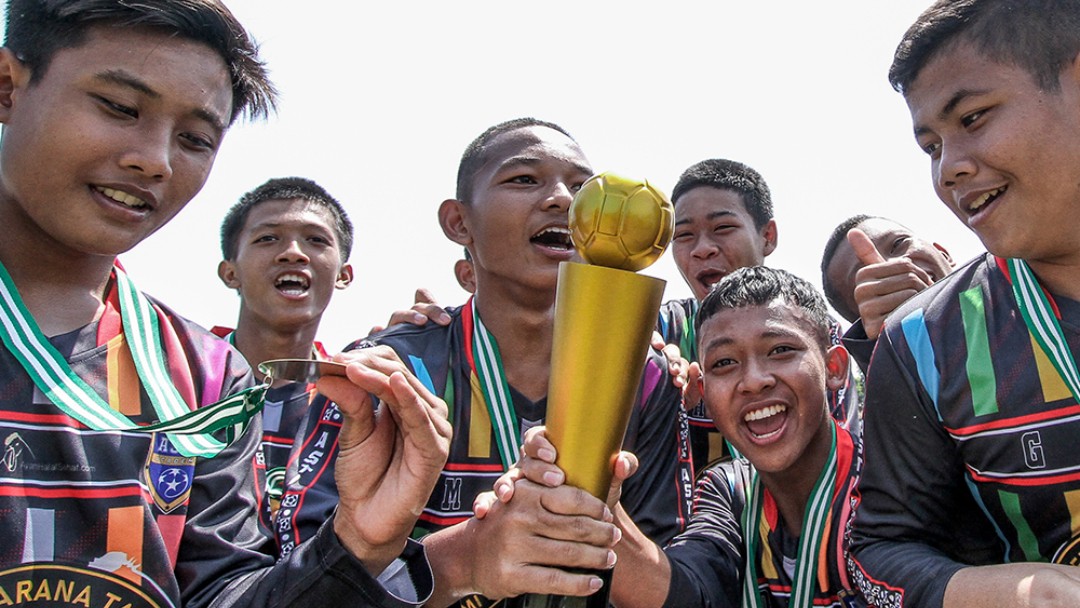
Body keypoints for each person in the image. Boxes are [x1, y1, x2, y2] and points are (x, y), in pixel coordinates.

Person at [0, 1, 450, 606]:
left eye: (194, 138)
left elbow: (221, 593)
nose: (154, 159)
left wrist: (357, 544)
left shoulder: (206, 377)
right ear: (8, 88)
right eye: (120, 107)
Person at [279, 117, 693, 606]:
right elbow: (300, 577)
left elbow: (670, 581)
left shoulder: (645, 380)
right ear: (459, 222)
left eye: (582, 186)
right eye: (523, 179)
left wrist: (591, 514)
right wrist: (464, 559)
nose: (562, 198)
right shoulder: (390, 373)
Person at [848, 1, 1080, 606]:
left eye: (973, 117)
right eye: (930, 146)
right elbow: (876, 558)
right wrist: (1014, 592)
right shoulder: (920, 343)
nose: (949, 169)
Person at [485, 267, 863, 607]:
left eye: (780, 350)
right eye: (724, 363)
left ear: (834, 368)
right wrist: (589, 495)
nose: (752, 381)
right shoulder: (729, 490)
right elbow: (687, 591)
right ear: (703, 389)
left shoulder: (884, 480)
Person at [657, 159, 860, 471]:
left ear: (768, 236)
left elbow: (843, 455)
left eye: (723, 228)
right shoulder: (660, 331)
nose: (702, 249)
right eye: (683, 235)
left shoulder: (809, 327)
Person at [214, 177, 354, 531]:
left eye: (316, 240)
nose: (293, 252)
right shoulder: (179, 380)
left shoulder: (354, 396)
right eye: (267, 238)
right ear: (230, 273)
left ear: (343, 275)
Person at [820, 214, 955, 372]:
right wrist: (886, 355)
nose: (894, 266)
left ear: (943, 253)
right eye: (867, 274)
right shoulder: (895, 387)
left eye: (898, 244)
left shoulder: (990, 273)